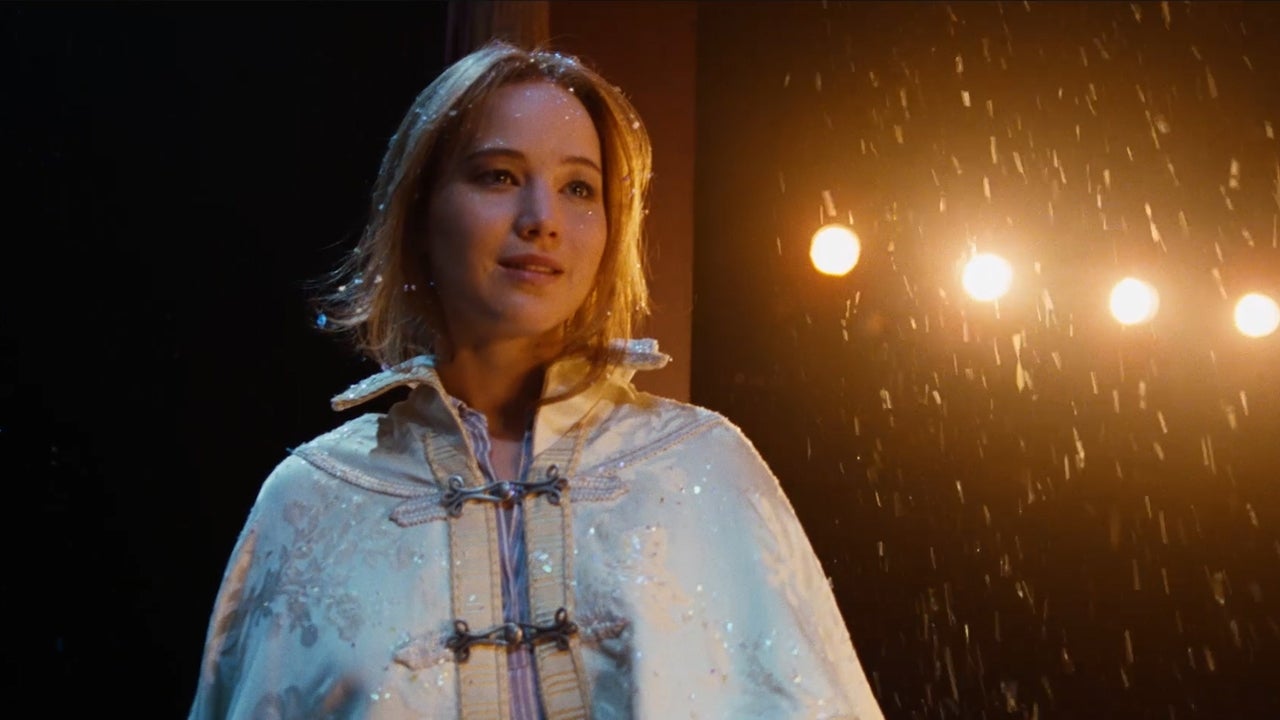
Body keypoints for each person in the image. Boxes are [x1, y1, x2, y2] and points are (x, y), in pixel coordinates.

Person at [188, 40, 886, 720]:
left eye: (579, 188)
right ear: (420, 210)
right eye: (498, 176)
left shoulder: (704, 466)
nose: (542, 220)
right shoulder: (310, 501)